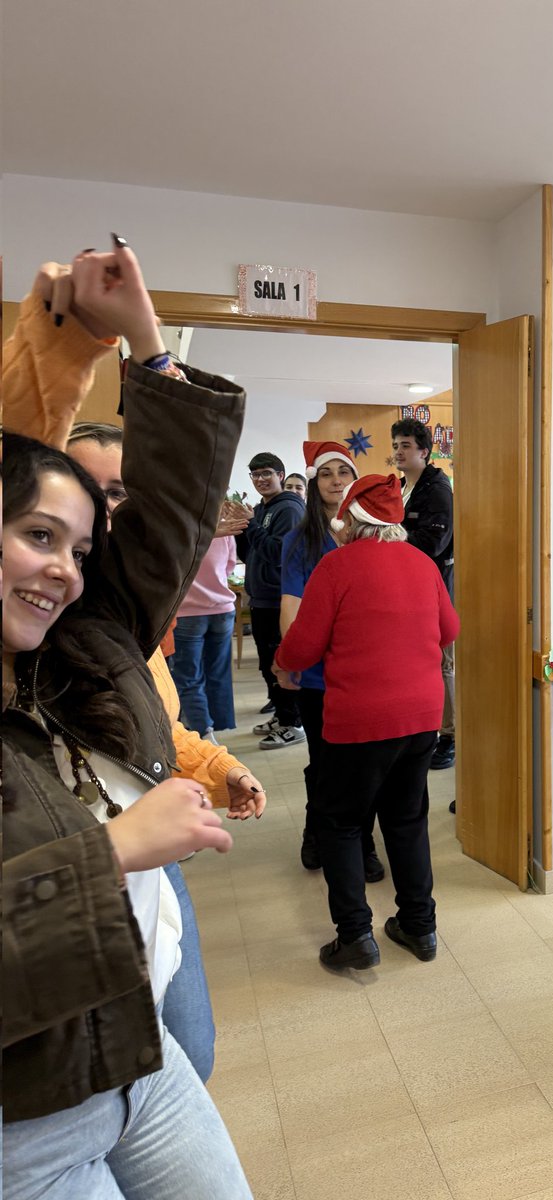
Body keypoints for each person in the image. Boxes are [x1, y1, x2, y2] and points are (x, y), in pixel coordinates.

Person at [2, 242, 253, 1196]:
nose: (64, 566)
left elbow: (171, 519)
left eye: (78, 543)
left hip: (139, 1064)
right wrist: (111, 852)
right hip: (24, 1118)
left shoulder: (85, 639)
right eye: (36, 536)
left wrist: (148, 348)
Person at [275, 474, 459, 970]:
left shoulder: (336, 567)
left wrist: (282, 662)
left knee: (340, 822)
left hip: (358, 721)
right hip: (421, 716)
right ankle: (420, 927)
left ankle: (355, 936)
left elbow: (302, 646)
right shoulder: (422, 563)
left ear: (352, 520)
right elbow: (450, 629)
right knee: (406, 819)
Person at [280, 441, 385, 882]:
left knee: (362, 765)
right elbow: (291, 606)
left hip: (363, 675)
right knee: (324, 761)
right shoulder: (299, 539)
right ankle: (316, 830)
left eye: (344, 471)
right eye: (327, 473)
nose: (336, 480)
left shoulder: (373, 535)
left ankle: (362, 840)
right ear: (313, 481)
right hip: (319, 674)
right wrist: (292, 661)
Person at [391, 417, 455, 773]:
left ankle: (450, 736)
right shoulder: (400, 487)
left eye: (406, 446)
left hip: (435, 589)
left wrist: (392, 539)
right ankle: (426, 729)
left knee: (444, 664)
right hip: (405, 589)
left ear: (425, 451)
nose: (399, 452)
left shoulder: (437, 488)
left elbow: (434, 542)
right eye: (396, 446)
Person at [235, 451, 307, 748]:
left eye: (267, 473)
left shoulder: (288, 509)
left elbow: (279, 554)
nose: (261, 479)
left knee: (282, 663)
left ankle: (294, 723)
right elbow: (249, 553)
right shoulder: (264, 508)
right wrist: (242, 528)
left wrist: (250, 525)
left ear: (280, 474)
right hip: (262, 598)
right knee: (268, 664)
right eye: (255, 474)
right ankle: (282, 714)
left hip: (280, 600)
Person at [172, 533, 241, 741]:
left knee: (189, 676)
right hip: (222, 608)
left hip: (187, 611)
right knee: (218, 672)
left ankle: (203, 731)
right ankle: (218, 723)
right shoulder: (222, 527)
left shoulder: (177, 526)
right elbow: (230, 565)